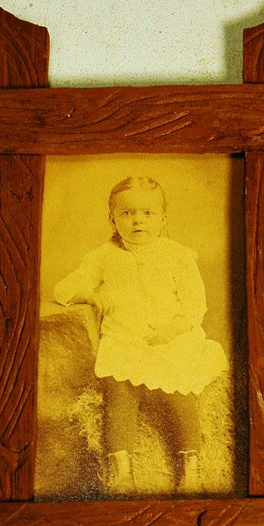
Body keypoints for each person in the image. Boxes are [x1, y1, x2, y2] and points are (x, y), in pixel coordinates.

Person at [53, 176, 227, 495]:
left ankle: (191, 466)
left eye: (147, 213)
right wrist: (88, 295)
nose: (137, 221)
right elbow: (63, 289)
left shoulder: (177, 255)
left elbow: (194, 304)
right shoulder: (103, 256)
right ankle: (122, 470)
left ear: (163, 218)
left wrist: (171, 331)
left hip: (172, 338)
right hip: (125, 340)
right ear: (113, 218)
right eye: (128, 213)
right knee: (118, 393)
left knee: (180, 388)